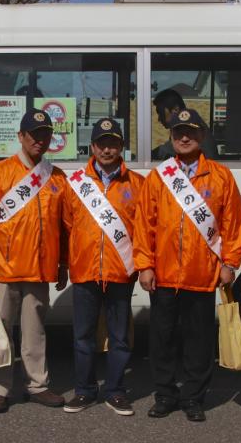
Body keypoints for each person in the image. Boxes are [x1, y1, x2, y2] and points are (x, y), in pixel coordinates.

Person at [134, 109, 241, 422]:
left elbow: (233, 226)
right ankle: (165, 394)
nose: (184, 137)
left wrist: (230, 263)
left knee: (199, 341)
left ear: (202, 136)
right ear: (171, 137)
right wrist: (145, 265)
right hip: (165, 276)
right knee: (162, 340)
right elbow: (144, 226)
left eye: (191, 132)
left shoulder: (221, 177)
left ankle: (195, 398)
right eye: (178, 132)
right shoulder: (158, 177)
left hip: (203, 274)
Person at [0, 108, 69, 413]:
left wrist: (63, 263)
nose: (40, 140)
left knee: (35, 329)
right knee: (0, 329)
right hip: (5, 265)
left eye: (45, 134)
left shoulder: (56, 177)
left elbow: (65, 227)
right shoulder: (0, 173)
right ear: (21, 137)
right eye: (34, 134)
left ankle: (36, 384)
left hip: (40, 268)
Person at [61, 118, 144, 416]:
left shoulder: (137, 184)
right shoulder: (75, 184)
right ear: (92, 146)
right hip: (85, 272)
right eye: (102, 143)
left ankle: (116, 390)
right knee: (82, 336)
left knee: (120, 337)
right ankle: (84, 391)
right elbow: (68, 226)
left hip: (121, 272)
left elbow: (144, 231)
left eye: (113, 143)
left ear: (121, 146)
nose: (107, 149)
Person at [151, 89, 218, 160]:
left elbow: (166, 150)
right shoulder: (196, 125)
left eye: (161, 113)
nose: (159, 119)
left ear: (175, 110)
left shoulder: (195, 129)